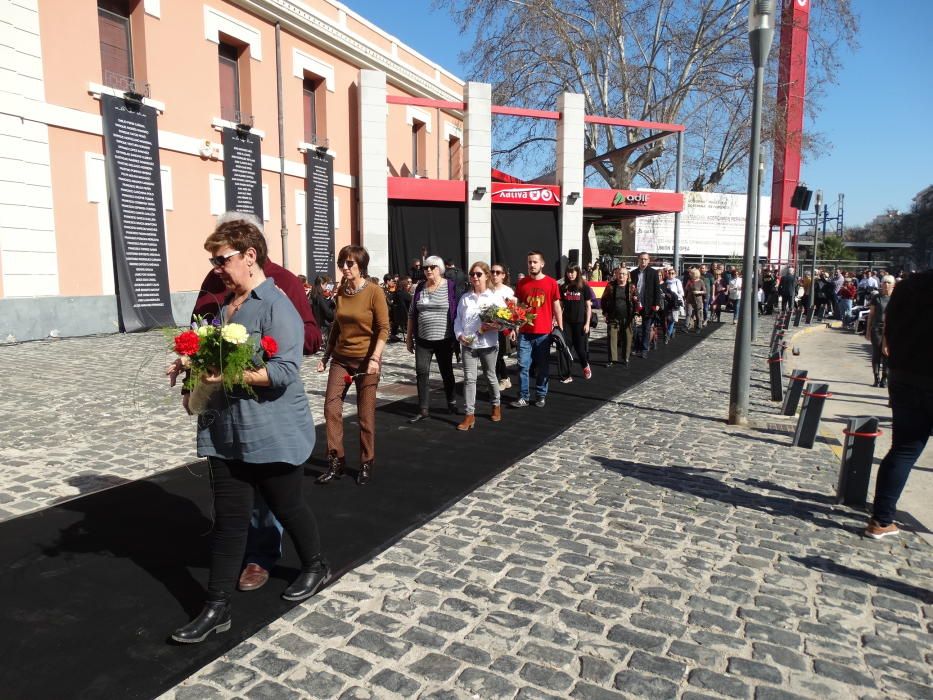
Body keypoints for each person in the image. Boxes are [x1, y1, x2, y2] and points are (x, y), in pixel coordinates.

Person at [170, 217, 328, 644]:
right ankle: (216, 607)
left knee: (287, 505)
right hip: (227, 431)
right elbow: (214, 361)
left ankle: (314, 565)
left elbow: (282, 372)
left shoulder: (278, 305)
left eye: (221, 259)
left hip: (271, 430)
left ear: (249, 255)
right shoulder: (223, 309)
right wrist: (190, 367)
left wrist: (227, 376)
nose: (216, 267)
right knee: (229, 521)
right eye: (213, 260)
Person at [865, 270, 933, 539]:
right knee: (903, 450)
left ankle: (881, 520)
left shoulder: (908, 287)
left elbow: (888, 327)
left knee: (903, 450)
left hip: (904, 376)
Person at [315, 245, 389, 486]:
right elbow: (337, 326)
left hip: (367, 361)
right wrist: (326, 357)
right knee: (331, 408)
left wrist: (375, 358)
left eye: (349, 264)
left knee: (365, 415)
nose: (344, 268)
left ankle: (367, 461)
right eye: (342, 264)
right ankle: (336, 461)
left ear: (361, 266)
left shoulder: (374, 292)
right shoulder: (341, 292)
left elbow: (383, 328)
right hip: (341, 359)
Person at [407, 255, 459, 422]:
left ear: (440, 269)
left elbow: (457, 311)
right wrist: (409, 338)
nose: (428, 270)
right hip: (423, 339)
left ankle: (451, 402)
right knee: (421, 372)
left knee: (446, 372)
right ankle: (423, 409)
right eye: (425, 267)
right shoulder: (420, 287)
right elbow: (411, 313)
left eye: (432, 267)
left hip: (444, 339)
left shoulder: (450, 287)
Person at [511, 251, 562, 408]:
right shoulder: (522, 283)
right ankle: (523, 397)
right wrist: (514, 326)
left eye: (534, 262)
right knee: (522, 365)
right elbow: (517, 306)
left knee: (542, 366)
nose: (531, 265)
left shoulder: (551, 283)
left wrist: (560, 329)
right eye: (529, 262)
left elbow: (556, 307)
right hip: (525, 333)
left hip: (543, 333)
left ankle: (540, 395)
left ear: (542, 264)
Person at [454, 261, 502, 429]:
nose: (475, 277)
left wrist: (494, 326)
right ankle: (469, 415)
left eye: (478, 274)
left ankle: (496, 405)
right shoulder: (465, 298)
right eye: (472, 274)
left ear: (487, 276)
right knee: (469, 379)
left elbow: (505, 321)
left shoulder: (494, 297)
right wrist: (459, 335)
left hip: (488, 344)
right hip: (468, 345)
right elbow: (457, 320)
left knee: (490, 376)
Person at [559, 264, 594, 381]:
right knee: (566, 348)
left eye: (573, 272)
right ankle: (567, 375)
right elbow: (560, 305)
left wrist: (587, 323)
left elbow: (588, 306)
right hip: (567, 323)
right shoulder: (563, 287)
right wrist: (556, 320)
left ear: (578, 272)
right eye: (569, 272)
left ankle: (585, 365)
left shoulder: (584, 286)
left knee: (580, 349)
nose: (571, 274)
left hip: (580, 322)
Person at [629, 252, 662, 357]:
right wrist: (631, 296)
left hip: (648, 304)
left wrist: (656, 303)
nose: (643, 261)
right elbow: (630, 288)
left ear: (648, 260)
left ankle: (644, 348)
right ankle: (636, 346)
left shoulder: (653, 273)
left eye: (645, 259)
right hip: (636, 304)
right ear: (638, 260)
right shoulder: (633, 273)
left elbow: (657, 289)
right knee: (633, 327)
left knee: (646, 327)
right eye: (641, 259)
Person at [601, 266, 635, 366]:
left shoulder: (631, 287)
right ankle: (612, 359)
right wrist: (605, 312)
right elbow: (603, 299)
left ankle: (626, 358)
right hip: (613, 315)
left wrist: (636, 313)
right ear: (616, 274)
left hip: (627, 316)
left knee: (628, 337)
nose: (621, 275)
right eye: (619, 273)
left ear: (627, 276)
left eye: (624, 274)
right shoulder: (610, 285)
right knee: (612, 336)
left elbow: (636, 301)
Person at [865, 275, 895, 388]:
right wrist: (868, 331)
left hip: (890, 330)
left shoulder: (896, 298)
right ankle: (876, 378)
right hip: (877, 329)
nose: (886, 284)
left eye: (888, 282)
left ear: (893, 285)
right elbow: (871, 315)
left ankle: (884, 378)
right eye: (884, 282)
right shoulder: (877, 297)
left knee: (887, 354)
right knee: (877, 353)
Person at [488, 264, 515, 390]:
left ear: (503, 275)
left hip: (503, 328)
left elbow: (513, 312)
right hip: (488, 327)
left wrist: (513, 329)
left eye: (497, 272)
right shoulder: (487, 289)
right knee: (491, 356)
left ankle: (503, 379)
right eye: (492, 272)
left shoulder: (508, 291)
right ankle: (498, 380)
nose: (494, 274)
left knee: (498, 355)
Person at [684, 268, 706, 333]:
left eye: (691, 273)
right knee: (688, 313)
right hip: (689, 300)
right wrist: (687, 287)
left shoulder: (701, 281)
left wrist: (698, 292)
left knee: (698, 314)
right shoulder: (689, 281)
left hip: (698, 300)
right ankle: (686, 327)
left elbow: (705, 291)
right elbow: (686, 289)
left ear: (695, 274)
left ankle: (698, 327)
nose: (690, 274)